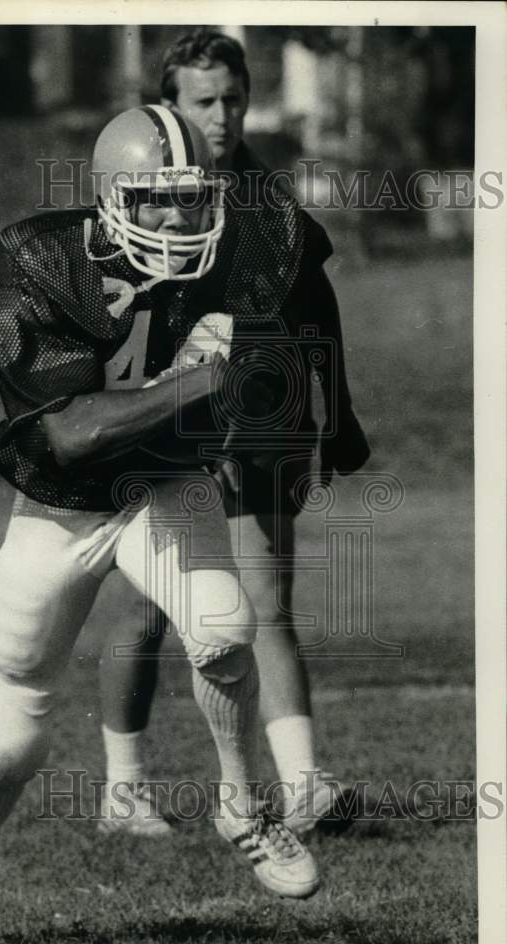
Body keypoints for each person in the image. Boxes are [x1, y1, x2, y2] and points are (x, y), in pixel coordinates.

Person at [0, 104, 322, 944]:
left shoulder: (242, 245)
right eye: (152, 199)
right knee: (16, 719)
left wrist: (267, 381)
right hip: (60, 502)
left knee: (222, 628)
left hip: (163, 483)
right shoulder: (42, 255)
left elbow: (285, 325)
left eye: (192, 196)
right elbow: (71, 432)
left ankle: (241, 806)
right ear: (109, 200)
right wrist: (207, 380)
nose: (177, 218)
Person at [96, 29, 370, 837]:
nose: (220, 116)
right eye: (203, 101)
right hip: (165, 420)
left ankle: (303, 786)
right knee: (151, 610)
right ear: (167, 104)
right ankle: (122, 790)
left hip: (261, 420)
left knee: (265, 602)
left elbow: (316, 308)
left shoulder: (267, 199)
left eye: (233, 99)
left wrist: (336, 414)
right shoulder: (137, 193)